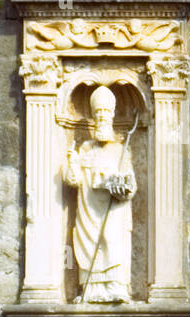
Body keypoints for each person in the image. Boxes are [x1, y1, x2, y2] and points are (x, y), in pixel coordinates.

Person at [63, 84, 136, 303]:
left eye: (106, 114)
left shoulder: (121, 150)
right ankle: (91, 288)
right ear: (93, 118)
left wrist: (119, 186)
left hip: (113, 210)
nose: (102, 118)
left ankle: (116, 286)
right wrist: (73, 163)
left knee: (111, 240)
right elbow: (73, 180)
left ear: (112, 117)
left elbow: (130, 183)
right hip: (88, 208)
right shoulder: (85, 149)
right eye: (99, 114)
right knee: (89, 242)